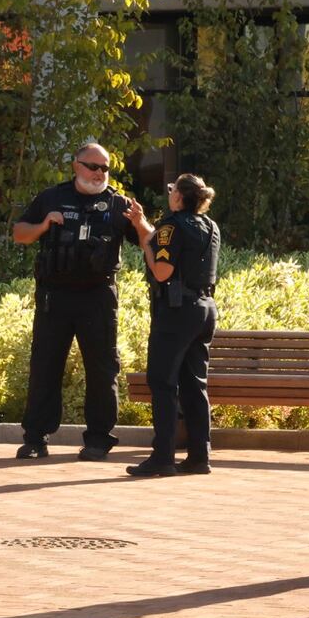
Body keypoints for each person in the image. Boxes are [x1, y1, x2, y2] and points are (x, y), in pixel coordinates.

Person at [12, 142, 145, 462]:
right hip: (54, 295)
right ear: (76, 165)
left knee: (102, 368)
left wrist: (140, 222)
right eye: (93, 166)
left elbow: (147, 241)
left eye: (105, 168)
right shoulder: (51, 197)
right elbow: (19, 233)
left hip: (98, 296)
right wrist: (44, 225)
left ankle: (98, 439)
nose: (99, 173)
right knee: (45, 366)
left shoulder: (119, 204)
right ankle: (35, 438)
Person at [126, 174, 220, 478]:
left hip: (177, 312)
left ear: (178, 197)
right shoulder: (209, 226)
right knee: (195, 384)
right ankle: (198, 456)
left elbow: (163, 271)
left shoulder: (171, 225)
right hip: (205, 310)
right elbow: (171, 241)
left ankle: (162, 457)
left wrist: (146, 246)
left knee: (163, 383)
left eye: (171, 190)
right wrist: (143, 227)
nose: (169, 195)